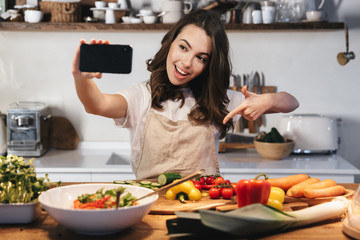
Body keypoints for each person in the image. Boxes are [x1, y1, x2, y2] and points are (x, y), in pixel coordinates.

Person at [72, 10, 299, 179]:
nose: (186, 63)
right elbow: (97, 104)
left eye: (201, 58)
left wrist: (270, 99)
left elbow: (292, 103)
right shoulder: (141, 96)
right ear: (170, 43)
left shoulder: (219, 100)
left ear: (209, 65)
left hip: (204, 208)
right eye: (183, 47)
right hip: (151, 210)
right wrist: (82, 77)